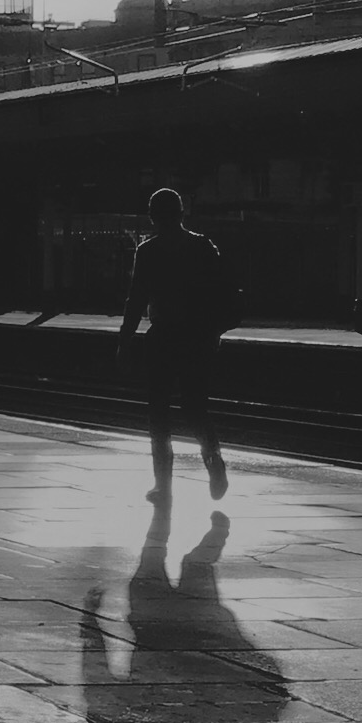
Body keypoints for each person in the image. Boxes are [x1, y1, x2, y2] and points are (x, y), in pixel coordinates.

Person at [117, 186, 230, 502]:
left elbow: (136, 300)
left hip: (164, 337)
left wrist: (124, 341)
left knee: (159, 412)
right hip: (198, 337)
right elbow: (220, 292)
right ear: (182, 213)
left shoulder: (148, 251)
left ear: (153, 217)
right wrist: (213, 333)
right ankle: (213, 460)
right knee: (195, 406)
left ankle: (163, 485)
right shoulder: (203, 246)